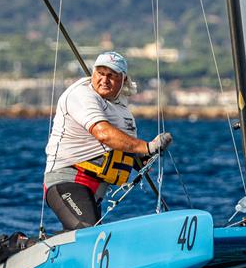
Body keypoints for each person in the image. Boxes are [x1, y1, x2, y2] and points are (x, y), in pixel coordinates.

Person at [43, 51, 172, 231]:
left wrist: (144, 158)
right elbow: (103, 134)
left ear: (124, 80)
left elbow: (126, 150)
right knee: (87, 231)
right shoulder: (81, 94)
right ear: (93, 73)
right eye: (100, 73)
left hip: (95, 190)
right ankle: (17, 245)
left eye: (111, 76)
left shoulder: (122, 110)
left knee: (80, 235)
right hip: (67, 181)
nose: (104, 80)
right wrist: (147, 147)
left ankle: (33, 247)